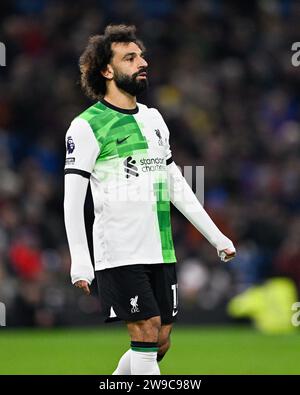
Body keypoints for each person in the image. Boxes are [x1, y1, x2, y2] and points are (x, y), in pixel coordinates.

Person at [63, 24, 236, 375]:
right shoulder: (86, 126)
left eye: (141, 55)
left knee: (160, 340)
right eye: (130, 58)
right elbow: (72, 199)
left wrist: (216, 236)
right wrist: (80, 260)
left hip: (161, 248)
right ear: (107, 71)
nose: (142, 62)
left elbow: (175, 185)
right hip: (120, 250)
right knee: (145, 328)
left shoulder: (154, 119)